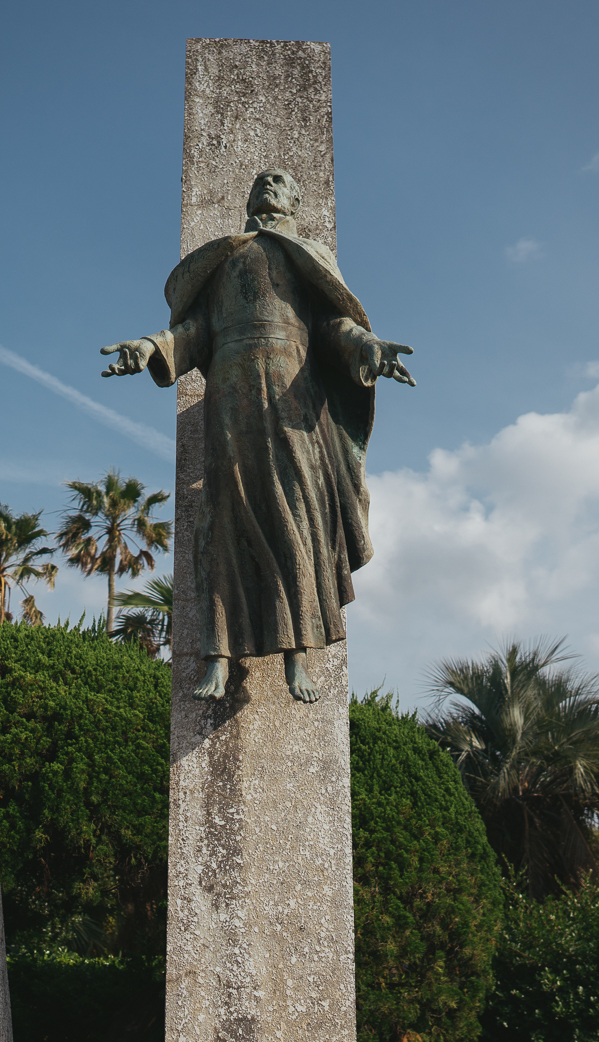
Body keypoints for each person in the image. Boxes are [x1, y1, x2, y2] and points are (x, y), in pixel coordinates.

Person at [99, 167, 415, 702]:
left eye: (280, 181)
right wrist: (153, 347)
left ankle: (298, 654)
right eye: (261, 180)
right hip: (230, 395)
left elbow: (332, 325)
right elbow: (195, 332)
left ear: (295, 200)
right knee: (225, 518)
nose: (269, 183)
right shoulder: (226, 256)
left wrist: (369, 346)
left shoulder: (307, 255)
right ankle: (217, 656)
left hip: (294, 397)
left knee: (298, 515)